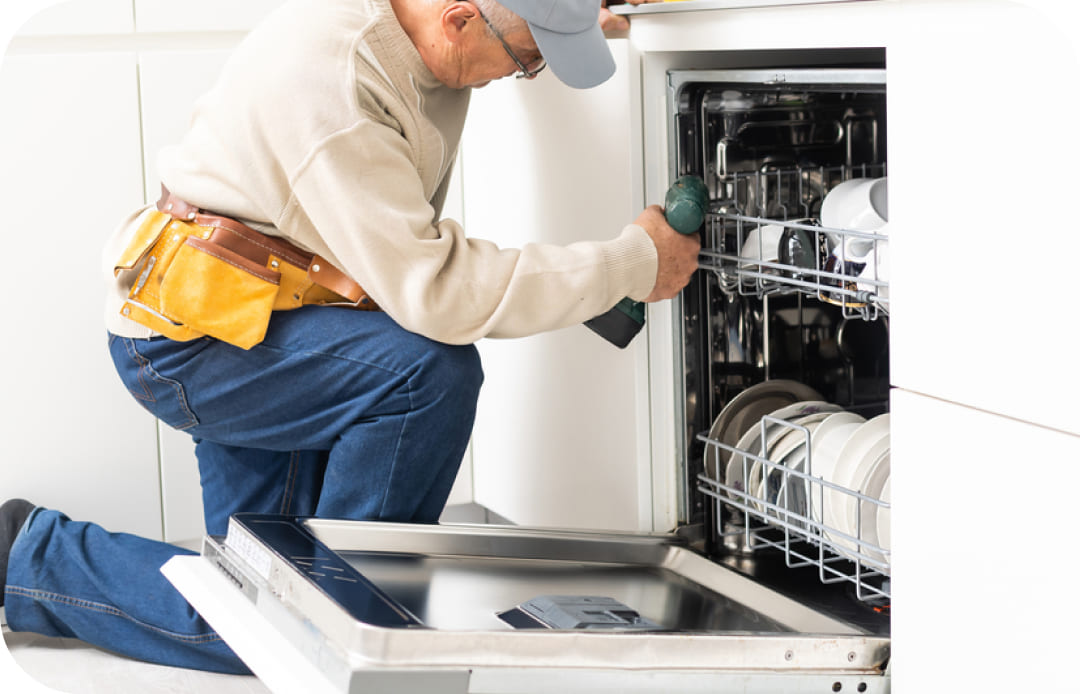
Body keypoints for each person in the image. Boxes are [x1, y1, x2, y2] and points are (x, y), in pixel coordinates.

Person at [0, 0, 693, 676]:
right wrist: (630, 262)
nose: (519, 75)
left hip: (271, 316)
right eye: (524, 61)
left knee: (259, 613)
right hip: (197, 343)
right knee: (426, 376)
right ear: (457, 21)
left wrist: (570, 19)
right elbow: (442, 294)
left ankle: (20, 558)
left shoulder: (425, 28)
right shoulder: (336, 88)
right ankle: (347, 609)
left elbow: (507, 32)